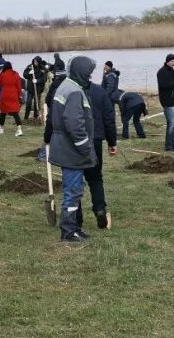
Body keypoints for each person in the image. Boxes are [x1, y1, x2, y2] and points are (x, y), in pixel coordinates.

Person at [48, 55, 98, 242]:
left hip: (65, 147)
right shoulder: (75, 91)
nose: (91, 76)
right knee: (73, 190)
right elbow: (74, 124)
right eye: (89, 72)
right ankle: (69, 230)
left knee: (73, 188)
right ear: (81, 72)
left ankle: (74, 227)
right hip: (71, 150)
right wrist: (85, 147)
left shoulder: (65, 85)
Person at [86, 72, 119, 230]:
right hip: (95, 140)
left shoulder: (69, 90)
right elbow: (109, 118)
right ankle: (100, 208)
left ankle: (75, 218)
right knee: (95, 178)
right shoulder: (99, 91)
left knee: (75, 179)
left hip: (75, 140)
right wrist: (112, 142)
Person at [157, 54, 174, 151]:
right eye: (172, 61)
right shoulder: (161, 72)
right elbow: (164, 85)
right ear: (167, 61)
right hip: (167, 102)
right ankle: (168, 146)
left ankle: (172, 143)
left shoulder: (173, 71)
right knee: (171, 123)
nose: (173, 63)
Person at [0, 62, 24, 136]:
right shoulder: (16, 74)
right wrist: (20, 96)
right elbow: (19, 86)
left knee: (3, 112)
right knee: (15, 112)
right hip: (13, 94)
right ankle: (19, 129)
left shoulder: (2, 74)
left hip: (5, 94)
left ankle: (1, 128)